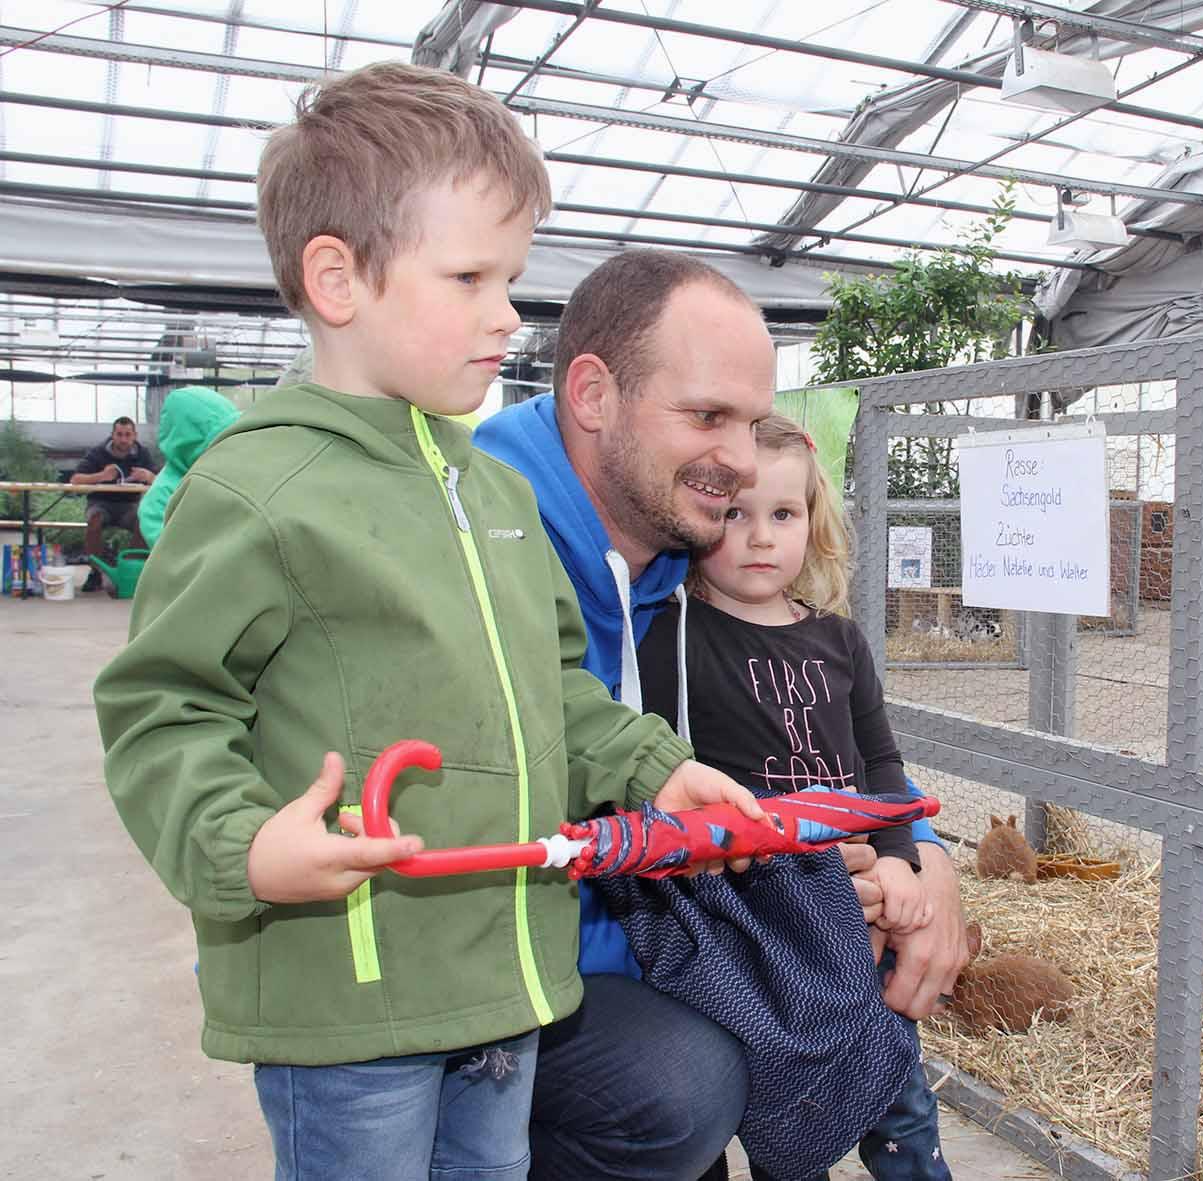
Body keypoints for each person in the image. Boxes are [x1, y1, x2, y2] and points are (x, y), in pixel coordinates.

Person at [92, 62, 761, 1181]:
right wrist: (243, 841)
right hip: (353, 991)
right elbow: (163, 706)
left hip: (502, 980)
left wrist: (651, 767)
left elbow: (555, 682)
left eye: (511, 279)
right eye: (470, 277)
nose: (507, 315)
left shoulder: (488, 490)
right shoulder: (260, 487)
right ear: (338, 278)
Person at [475, 250, 972, 1180]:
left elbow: (858, 751)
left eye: (750, 422)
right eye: (708, 415)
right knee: (690, 1079)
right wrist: (772, 918)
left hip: (661, 916)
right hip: (514, 950)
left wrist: (925, 863)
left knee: (731, 1073)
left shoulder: (672, 543)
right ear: (592, 393)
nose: (739, 461)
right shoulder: (493, 537)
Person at [637, 415, 952, 1180]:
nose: (759, 538)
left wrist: (903, 861)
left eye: (783, 514)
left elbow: (880, 763)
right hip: (750, 918)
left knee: (894, 1088)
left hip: (852, 908)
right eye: (736, 514)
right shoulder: (671, 633)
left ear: (814, 523)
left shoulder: (840, 639)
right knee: (763, 1095)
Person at [138, 386, 240, 548]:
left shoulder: (235, 472)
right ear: (188, 444)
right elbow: (171, 555)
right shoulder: (161, 498)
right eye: (219, 441)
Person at [71, 414, 157, 587]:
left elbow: (162, 481)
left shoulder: (143, 454)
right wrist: (101, 475)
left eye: (127, 435)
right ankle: (95, 572)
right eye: (119, 434)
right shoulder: (98, 453)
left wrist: (149, 476)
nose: (123, 439)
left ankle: (130, 570)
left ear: (134, 436)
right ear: (112, 435)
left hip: (129, 506)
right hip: (101, 503)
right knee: (94, 521)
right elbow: (75, 479)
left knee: (144, 521)